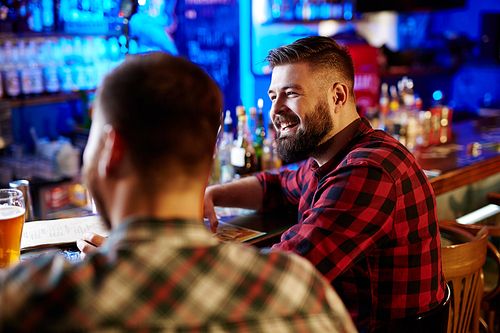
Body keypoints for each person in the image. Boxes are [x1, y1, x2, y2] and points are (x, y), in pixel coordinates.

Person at [0, 52, 357, 333]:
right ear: (210, 155)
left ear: (111, 149)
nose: (278, 108)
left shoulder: (33, 300)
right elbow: (280, 184)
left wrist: (133, 263)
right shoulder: (302, 292)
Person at [203, 36, 447, 333]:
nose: (276, 110)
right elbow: (277, 186)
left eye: (291, 94)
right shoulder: (333, 157)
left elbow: (283, 275)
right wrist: (212, 194)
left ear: (338, 97)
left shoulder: (367, 171)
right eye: (272, 97)